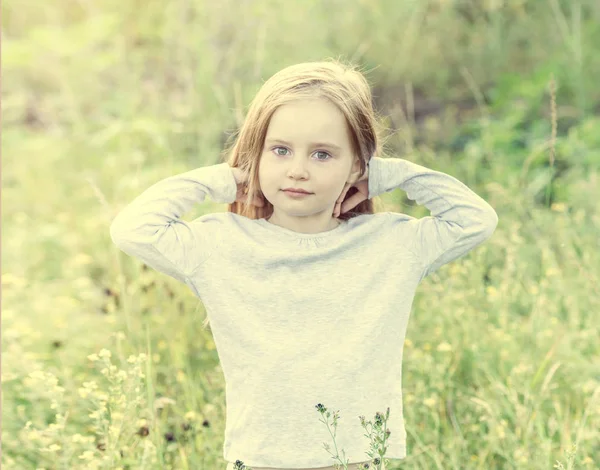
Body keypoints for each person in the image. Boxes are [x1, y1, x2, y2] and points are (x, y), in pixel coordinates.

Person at [109, 58, 498, 470]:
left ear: (356, 164)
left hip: (355, 458)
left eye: (322, 154)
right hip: (259, 459)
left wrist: (388, 174)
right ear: (255, 155)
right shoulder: (220, 244)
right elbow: (133, 229)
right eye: (280, 150)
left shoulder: (390, 244)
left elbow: (475, 219)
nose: (297, 170)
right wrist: (226, 179)